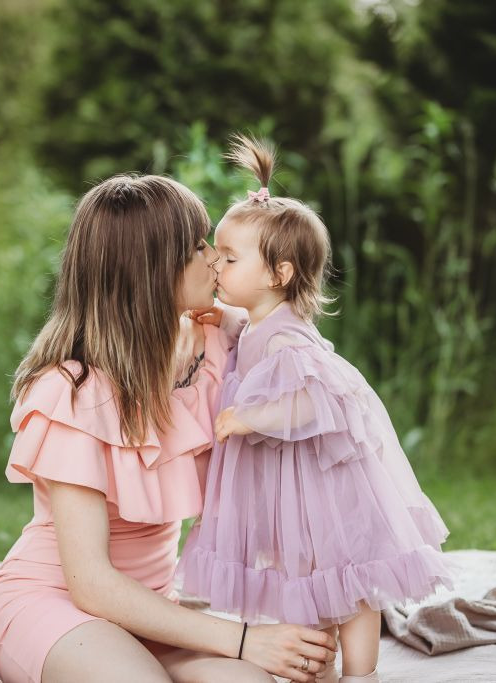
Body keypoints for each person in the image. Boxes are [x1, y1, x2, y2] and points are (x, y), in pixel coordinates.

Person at [0, 173, 337, 683]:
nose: (215, 259)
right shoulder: (74, 391)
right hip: (56, 603)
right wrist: (243, 640)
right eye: (198, 246)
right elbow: (90, 584)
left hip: (151, 612)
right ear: (152, 270)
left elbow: (298, 440)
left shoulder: (219, 348)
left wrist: (307, 621)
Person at [176, 136, 455, 682]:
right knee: (302, 577)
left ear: (278, 275)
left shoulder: (289, 340)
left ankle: (361, 673)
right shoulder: (253, 325)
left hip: (323, 488)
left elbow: (316, 400)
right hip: (288, 490)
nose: (217, 265)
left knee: (347, 577)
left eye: (230, 259)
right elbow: (233, 332)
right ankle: (316, 665)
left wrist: (249, 417)